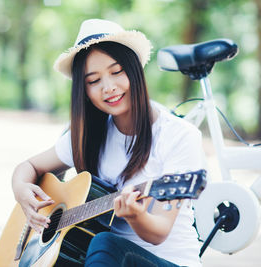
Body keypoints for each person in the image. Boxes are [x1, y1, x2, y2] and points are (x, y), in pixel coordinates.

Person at [12, 19, 204, 267]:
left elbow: (159, 232)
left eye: (116, 72)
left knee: (104, 243)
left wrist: (136, 217)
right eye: (94, 81)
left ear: (134, 70)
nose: (109, 88)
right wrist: (20, 189)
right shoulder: (88, 135)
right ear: (84, 90)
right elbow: (29, 166)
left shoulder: (179, 136)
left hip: (168, 262)